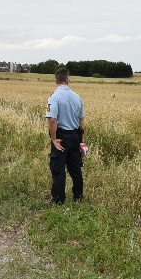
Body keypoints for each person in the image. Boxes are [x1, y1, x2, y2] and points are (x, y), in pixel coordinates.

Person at [46, 67, 85, 204]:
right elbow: (81, 122)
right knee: (75, 169)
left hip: (61, 137)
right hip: (75, 136)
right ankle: (78, 196)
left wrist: (54, 139)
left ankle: (58, 199)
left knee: (58, 169)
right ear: (68, 79)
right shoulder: (77, 97)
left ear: (56, 79)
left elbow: (52, 120)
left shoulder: (54, 96)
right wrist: (81, 143)